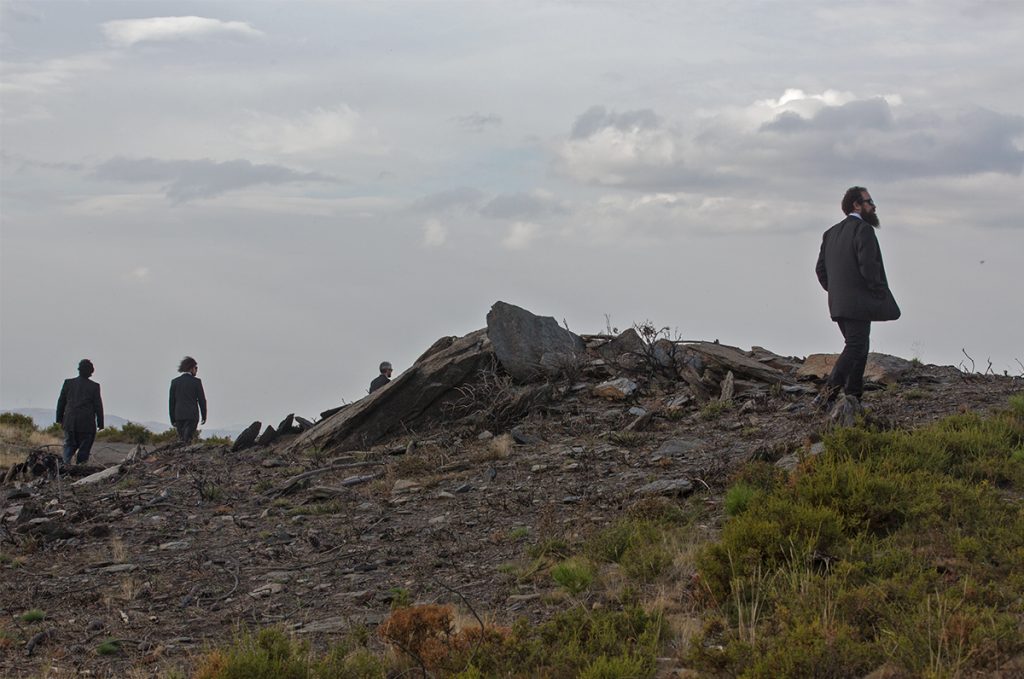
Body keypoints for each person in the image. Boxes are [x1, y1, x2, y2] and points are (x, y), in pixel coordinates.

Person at [814, 186, 900, 409]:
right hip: (859, 302)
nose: (874, 206)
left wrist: (835, 290)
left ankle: (853, 395)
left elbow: (820, 270)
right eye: (869, 201)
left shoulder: (830, 233)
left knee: (860, 346)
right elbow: (869, 267)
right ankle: (827, 395)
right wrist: (878, 291)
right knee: (855, 345)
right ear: (856, 205)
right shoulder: (863, 230)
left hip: (838, 303)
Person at [56, 359, 104, 465]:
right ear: (91, 371)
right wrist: (100, 423)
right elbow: (98, 406)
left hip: (69, 421)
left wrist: (59, 418)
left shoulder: (68, 383)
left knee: (69, 445)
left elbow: (61, 402)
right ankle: (80, 468)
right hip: (86, 424)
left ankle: (65, 466)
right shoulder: (94, 386)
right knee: (84, 448)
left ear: (79, 370)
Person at [169, 356, 207, 444]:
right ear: (191, 368)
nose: (196, 370)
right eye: (196, 368)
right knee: (188, 439)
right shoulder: (196, 382)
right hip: (192, 415)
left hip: (179, 415)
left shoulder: (175, 382)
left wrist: (172, 418)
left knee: (182, 438)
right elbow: (202, 400)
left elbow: (171, 402)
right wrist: (204, 415)